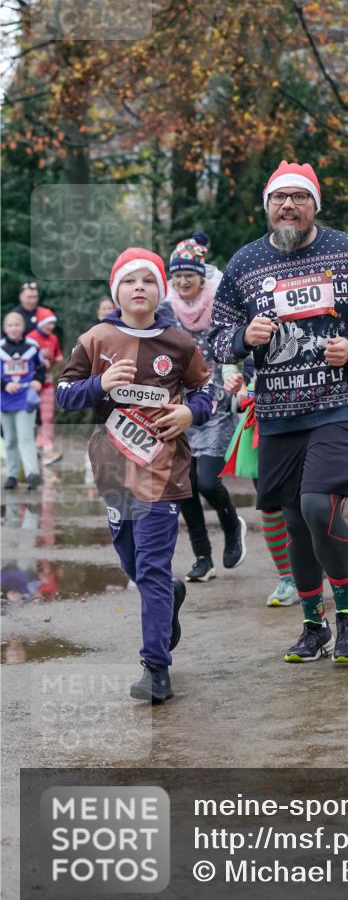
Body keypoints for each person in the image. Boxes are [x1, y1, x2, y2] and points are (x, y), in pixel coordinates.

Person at [209, 160, 348, 663]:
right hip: (277, 410)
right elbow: (214, 338)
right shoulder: (244, 265)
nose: (288, 205)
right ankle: (313, 626)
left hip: (339, 404)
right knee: (293, 518)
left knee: (320, 506)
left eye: (298, 197)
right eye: (279, 198)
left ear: (315, 204)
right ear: (268, 208)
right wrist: (240, 338)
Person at [56, 247, 213, 702]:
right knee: (134, 564)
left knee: (150, 565)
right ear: (117, 291)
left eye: (148, 280)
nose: (139, 287)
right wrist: (99, 385)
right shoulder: (96, 338)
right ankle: (169, 593)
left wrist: (188, 412)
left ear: (159, 290)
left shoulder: (180, 343)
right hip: (112, 470)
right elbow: (65, 394)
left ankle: (155, 668)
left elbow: (207, 393)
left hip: (162, 471)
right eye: (130, 281)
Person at [167, 232, 246, 581]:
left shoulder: (222, 302)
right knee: (183, 484)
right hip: (179, 406)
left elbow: (241, 344)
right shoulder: (166, 310)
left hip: (215, 401)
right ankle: (203, 558)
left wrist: (242, 381)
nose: (183, 281)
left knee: (208, 483)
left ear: (202, 276)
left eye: (190, 275)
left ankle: (232, 527)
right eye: (178, 275)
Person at [222, 362, 299, 607]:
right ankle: (287, 578)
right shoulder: (252, 323)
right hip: (263, 415)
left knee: (312, 501)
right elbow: (228, 348)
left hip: (314, 408)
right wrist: (235, 379)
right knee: (270, 503)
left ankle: (315, 559)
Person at [1, 311, 45, 490]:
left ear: (23, 327)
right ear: (5, 328)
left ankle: (32, 475)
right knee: (10, 440)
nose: (13, 328)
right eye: (10, 325)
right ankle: (11, 475)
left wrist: (38, 381)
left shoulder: (33, 346)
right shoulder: (1, 347)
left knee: (26, 437)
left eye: (17, 324)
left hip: (26, 397)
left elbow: (41, 368)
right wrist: (5, 385)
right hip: (5, 398)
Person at [28, 309, 63, 466]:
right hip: (31, 384)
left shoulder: (54, 338)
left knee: (47, 416)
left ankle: (48, 450)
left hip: (47, 383)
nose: (51, 326)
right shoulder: (30, 339)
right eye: (49, 323)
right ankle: (33, 449)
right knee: (31, 417)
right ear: (41, 323)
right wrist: (40, 362)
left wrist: (57, 359)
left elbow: (57, 355)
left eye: (53, 323)